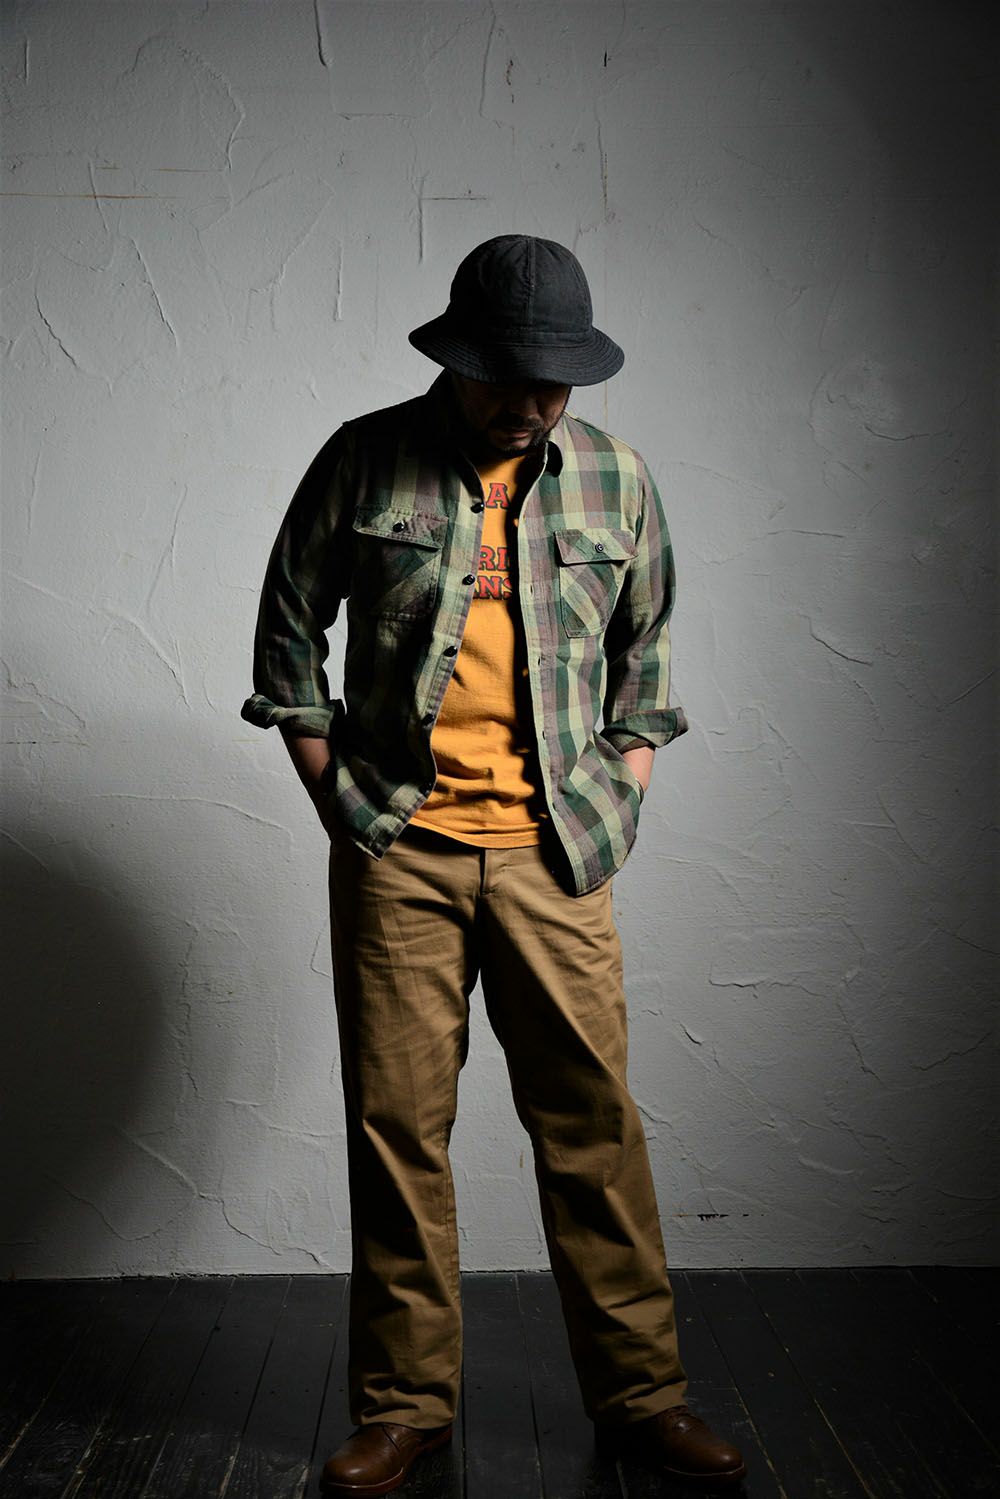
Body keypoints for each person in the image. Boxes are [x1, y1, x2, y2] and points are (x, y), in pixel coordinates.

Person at [242, 235, 746, 1494]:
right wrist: (342, 799)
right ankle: (403, 1406)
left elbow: (647, 658)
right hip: (399, 852)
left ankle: (643, 1395)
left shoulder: (617, 478)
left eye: (552, 381)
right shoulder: (364, 457)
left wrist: (618, 795)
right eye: (506, 377)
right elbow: (287, 636)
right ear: (456, 359)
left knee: (592, 1127)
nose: (529, 403)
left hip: (554, 855)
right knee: (398, 1130)